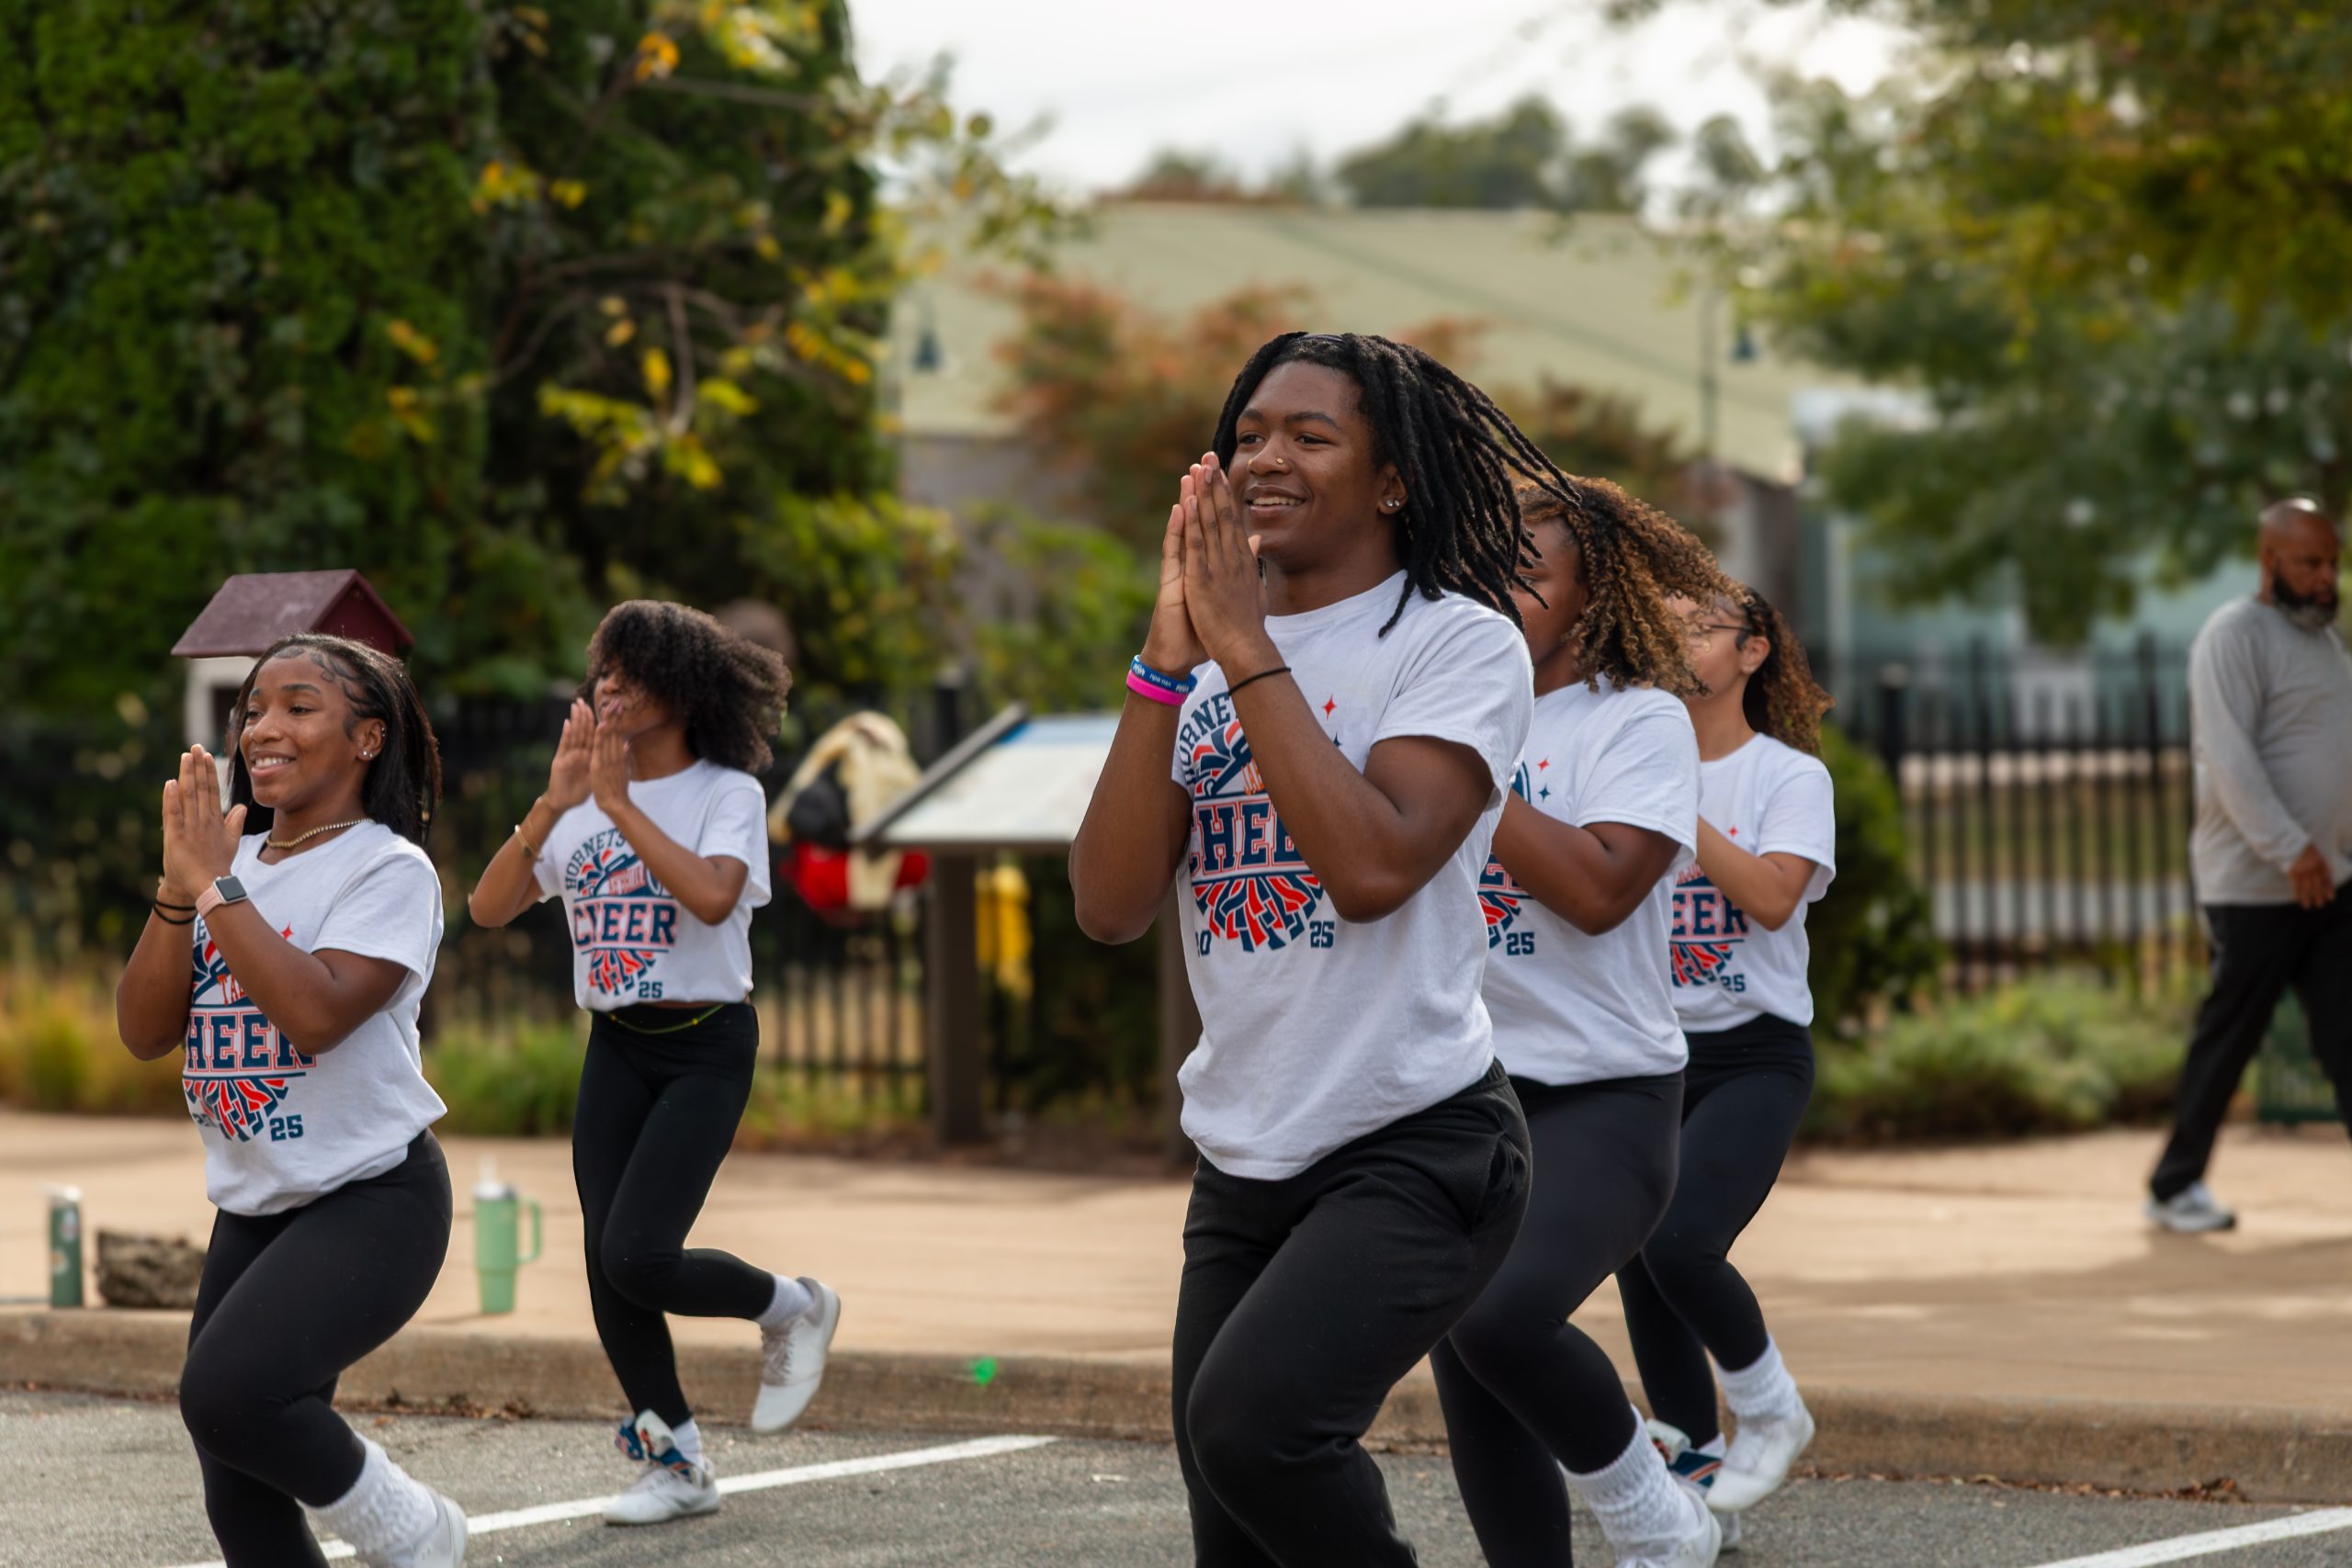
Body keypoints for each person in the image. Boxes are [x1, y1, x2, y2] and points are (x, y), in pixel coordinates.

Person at [1069, 331, 1555, 1566]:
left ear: (1391, 481)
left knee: (1256, 1431)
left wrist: (1244, 647)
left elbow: (1377, 867)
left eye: (1307, 435)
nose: (1264, 460)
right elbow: (1110, 904)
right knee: (1234, 1528)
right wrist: (1164, 662)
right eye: (1246, 437)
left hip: (1416, 1138)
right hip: (1244, 1156)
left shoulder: (1454, 642)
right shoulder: (1201, 670)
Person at [468, 599, 840, 1528]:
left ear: (681, 689)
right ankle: (677, 1462)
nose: (610, 689)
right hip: (618, 1046)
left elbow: (713, 897)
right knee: (607, 1265)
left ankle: (791, 1306)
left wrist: (620, 808)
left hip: (704, 1046)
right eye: (605, 673)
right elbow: (487, 907)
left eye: (632, 677)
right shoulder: (578, 804)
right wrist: (555, 804)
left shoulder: (726, 793)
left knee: (638, 1254)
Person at [115, 633, 464, 1568]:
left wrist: (215, 885)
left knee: (228, 1396)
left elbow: (316, 1014)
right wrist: (179, 889)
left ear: (368, 738)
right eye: (254, 709)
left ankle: (413, 1527)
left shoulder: (388, 869)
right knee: (238, 1485)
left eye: (299, 707)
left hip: (372, 1197)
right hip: (257, 1201)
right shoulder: (222, 866)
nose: (263, 728)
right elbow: (144, 1030)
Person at [1434, 479, 1730, 1568]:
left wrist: (1468, 776)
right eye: (1480, 568)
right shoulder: (1451, 705)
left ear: (1593, 591)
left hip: (1605, 1095)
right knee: (1470, 1365)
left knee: (1497, 1314)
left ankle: (1655, 1517)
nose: (1494, 590)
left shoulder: (1637, 719)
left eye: (1525, 571)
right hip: (1465, 1092)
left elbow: (1600, 889)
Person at [1620, 585, 1836, 1530]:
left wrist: (1678, 808)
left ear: (1753, 651)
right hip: (1649, 1055)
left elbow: (1772, 897)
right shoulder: (1632, 758)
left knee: (1680, 1240)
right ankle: (1696, 1483)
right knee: (1639, 1258)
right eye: (1665, 629)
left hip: (1754, 1056)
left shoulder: (1788, 777)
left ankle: (1772, 1409)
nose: (1679, 642)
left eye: (1700, 627)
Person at [2146, 498, 2352, 1231]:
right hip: (2257, 884)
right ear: (2269, 560)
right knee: (2231, 1034)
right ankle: (2174, 1187)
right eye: (2311, 562)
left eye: (2333, 563)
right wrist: (2289, 846)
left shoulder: (2325, 642)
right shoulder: (2233, 635)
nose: (2326, 577)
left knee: (2347, 1031)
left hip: (2329, 878)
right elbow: (2227, 759)